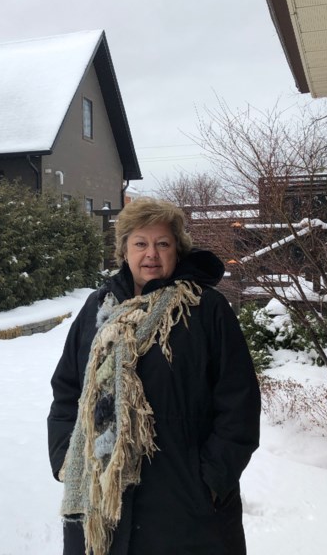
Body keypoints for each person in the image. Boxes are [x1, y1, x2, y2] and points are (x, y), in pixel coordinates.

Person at [47, 198, 261, 555]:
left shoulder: (205, 309)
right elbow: (68, 390)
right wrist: (65, 459)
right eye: (140, 243)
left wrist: (209, 481)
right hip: (100, 499)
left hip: (186, 507)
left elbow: (238, 403)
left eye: (163, 243)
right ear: (124, 251)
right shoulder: (97, 309)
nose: (152, 254)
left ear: (178, 250)